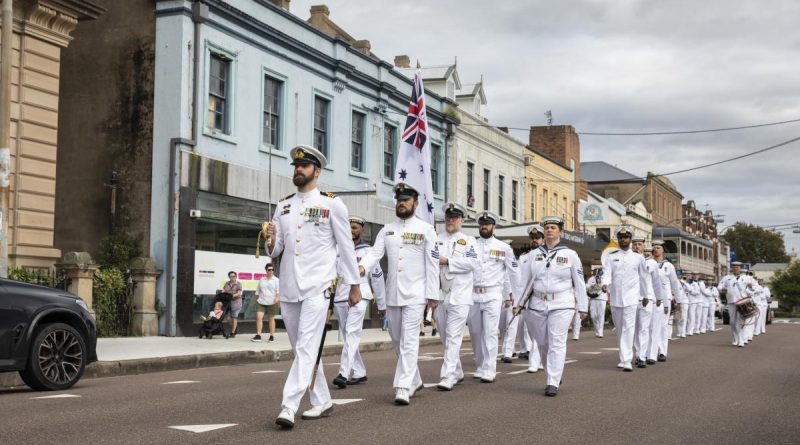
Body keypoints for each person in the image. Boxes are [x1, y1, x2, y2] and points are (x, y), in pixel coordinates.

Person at [266, 145, 362, 429]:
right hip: (291, 285)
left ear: (316, 172)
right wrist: (270, 239)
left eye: (304, 166)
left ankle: (289, 405)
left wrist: (354, 284)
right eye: (296, 166)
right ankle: (321, 399)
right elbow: (276, 251)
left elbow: (346, 248)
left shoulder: (332, 204)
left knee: (307, 346)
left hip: (319, 285)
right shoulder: (283, 206)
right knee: (301, 349)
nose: (298, 170)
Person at [359, 182, 439, 405]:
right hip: (393, 293)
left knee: (409, 341)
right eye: (399, 200)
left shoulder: (426, 230)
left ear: (415, 203)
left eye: (406, 200)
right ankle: (415, 379)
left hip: (416, 294)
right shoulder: (387, 229)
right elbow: (374, 254)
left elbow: (432, 264)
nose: (402, 203)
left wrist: (432, 295)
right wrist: (362, 267)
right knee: (396, 339)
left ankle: (403, 386)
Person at [517, 215, 588, 396]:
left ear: (560, 232)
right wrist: (519, 303)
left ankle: (552, 381)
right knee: (542, 342)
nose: (549, 230)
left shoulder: (570, 255)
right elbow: (524, 282)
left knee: (556, 341)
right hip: (537, 304)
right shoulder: (533, 255)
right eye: (547, 227)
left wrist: (582, 306)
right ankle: (553, 372)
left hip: (562, 303)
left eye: (553, 227)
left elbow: (579, 282)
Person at [332, 216, 387, 389]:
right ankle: (359, 371)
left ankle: (343, 373)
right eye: (349, 227)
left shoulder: (369, 252)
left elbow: (377, 278)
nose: (351, 230)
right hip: (340, 295)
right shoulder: (337, 249)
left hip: (361, 295)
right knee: (348, 336)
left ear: (361, 230)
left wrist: (381, 304)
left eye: (355, 227)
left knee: (352, 333)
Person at [434, 202, 480, 391]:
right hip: (440, 295)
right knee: (446, 337)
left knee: (454, 336)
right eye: (448, 217)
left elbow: (473, 263)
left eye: (455, 217)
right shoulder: (436, 239)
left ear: (462, 220)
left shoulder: (469, 241)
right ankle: (458, 371)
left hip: (460, 295)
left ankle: (447, 375)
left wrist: (447, 261)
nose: (450, 220)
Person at [469, 211, 519, 383]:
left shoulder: (504, 248)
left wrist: (512, 297)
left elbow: (512, 273)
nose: (485, 226)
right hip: (473, 294)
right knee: (475, 333)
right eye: (482, 224)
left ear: (494, 226)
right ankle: (480, 365)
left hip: (492, 294)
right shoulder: (470, 245)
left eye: (488, 224)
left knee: (490, 332)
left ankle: (490, 369)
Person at [601, 226, 650, 372]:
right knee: (620, 329)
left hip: (632, 298)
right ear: (618, 239)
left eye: (626, 237)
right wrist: (605, 283)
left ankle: (627, 360)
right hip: (616, 297)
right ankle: (623, 358)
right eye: (621, 237)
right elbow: (607, 273)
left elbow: (643, 277)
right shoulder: (611, 256)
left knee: (629, 328)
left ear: (630, 239)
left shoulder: (638, 257)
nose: (623, 240)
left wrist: (645, 295)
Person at [508, 224, 543, 373]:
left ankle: (538, 360)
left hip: (542, 298)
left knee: (539, 332)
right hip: (528, 299)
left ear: (542, 239)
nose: (534, 240)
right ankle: (531, 356)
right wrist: (518, 302)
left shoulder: (548, 254)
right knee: (527, 329)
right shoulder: (524, 257)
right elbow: (521, 282)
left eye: (537, 238)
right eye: (532, 238)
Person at [631, 237, 664, 368]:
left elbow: (656, 282)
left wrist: (659, 297)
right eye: (634, 244)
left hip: (646, 299)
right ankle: (638, 353)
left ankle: (642, 356)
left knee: (644, 329)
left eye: (639, 244)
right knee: (633, 330)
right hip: (632, 299)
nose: (637, 247)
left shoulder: (650, 262)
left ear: (644, 247)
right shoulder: (628, 260)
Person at [648, 240, 683, 363]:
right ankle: (650, 352)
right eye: (654, 247)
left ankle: (662, 351)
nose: (656, 249)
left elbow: (675, 284)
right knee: (651, 326)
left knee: (662, 326)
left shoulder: (668, 266)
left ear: (662, 250)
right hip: (651, 298)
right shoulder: (648, 263)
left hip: (665, 300)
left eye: (658, 247)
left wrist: (679, 301)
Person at [717, 261, 756, 347]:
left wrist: (751, 286)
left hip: (742, 302)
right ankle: (735, 338)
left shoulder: (746, 277)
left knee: (740, 321)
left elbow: (754, 287)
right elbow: (719, 286)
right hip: (731, 302)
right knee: (732, 322)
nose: (735, 269)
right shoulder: (727, 278)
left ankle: (741, 340)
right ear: (732, 268)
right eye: (734, 267)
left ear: (740, 269)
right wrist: (722, 289)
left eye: (737, 267)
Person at [252, 263, 279, 342]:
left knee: (271, 319)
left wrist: (277, 298)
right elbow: (257, 292)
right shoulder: (262, 280)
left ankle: (271, 336)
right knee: (259, 317)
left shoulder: (276, 280)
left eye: (272, 270)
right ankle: (258, 335)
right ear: (266, 270)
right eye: (269, 270)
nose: (271, 271)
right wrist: (254, 302)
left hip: (272, 302)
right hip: (261, 301)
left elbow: (279, 292)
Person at [586, 268, 607, 338]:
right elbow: (586, 287)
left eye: (598, 275)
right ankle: (597, 330)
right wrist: (592, 286)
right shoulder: (591, 279)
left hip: (602, 299)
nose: (597, 276)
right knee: (593, 316)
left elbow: (608, 289)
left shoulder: (605, 279)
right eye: (596, 275)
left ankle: (600, 332)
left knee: (601, 315)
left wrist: (605, 289)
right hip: (593, 298)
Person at [222, 271, 243, 337]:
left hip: (236, 303)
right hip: (228, 303)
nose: (233, 277)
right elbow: (223, 290)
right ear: (229, 277)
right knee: (228, 318)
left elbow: (239, 293)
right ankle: (235, 327)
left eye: (234, 276)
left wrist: (231, 295)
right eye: (231, 276)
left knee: (234, 317)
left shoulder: (238, 284)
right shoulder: (226, 283)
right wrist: (223, 293)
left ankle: (233, 332)